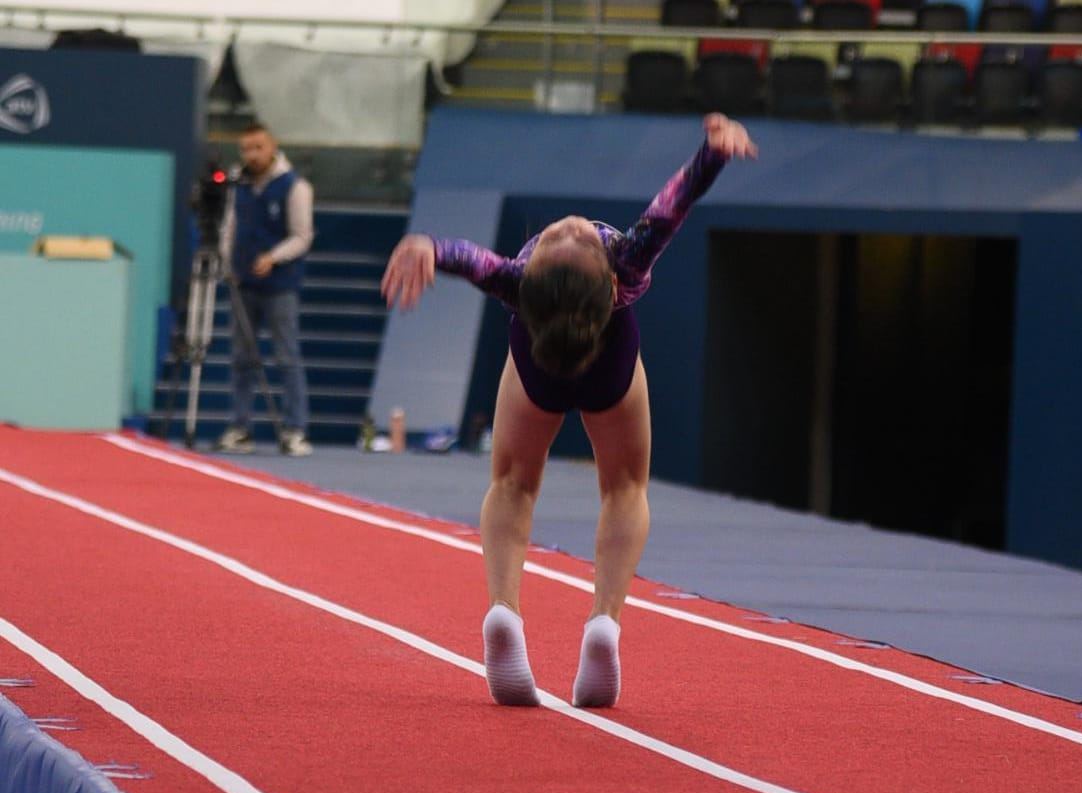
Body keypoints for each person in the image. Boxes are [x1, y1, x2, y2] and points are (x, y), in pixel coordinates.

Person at [381, 113, 757, 708]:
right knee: (626, 487)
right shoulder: (627, 261)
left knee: (511, 482)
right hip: (610, 365)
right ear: (612, 287)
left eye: (566, 236)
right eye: (572, 238)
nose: (572, 227)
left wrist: (428, 244)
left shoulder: (516, 280)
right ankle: (603, 622)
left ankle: (504, 611)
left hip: (535, 367)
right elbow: (671, 206)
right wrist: (712, 155)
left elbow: (468, 259)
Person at [215, 122, 315, 458]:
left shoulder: (295, 186)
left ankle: (295, 429)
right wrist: (227, 263)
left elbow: (302, 236)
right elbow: (230, 224)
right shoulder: (238, 182)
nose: (251, 155)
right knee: (242, 357)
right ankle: (241, 427)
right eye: (245, 148)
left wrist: (273, 257)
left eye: (258, 147)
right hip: (244, 282)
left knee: (287, 356)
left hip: (279, 285)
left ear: (272, 147)